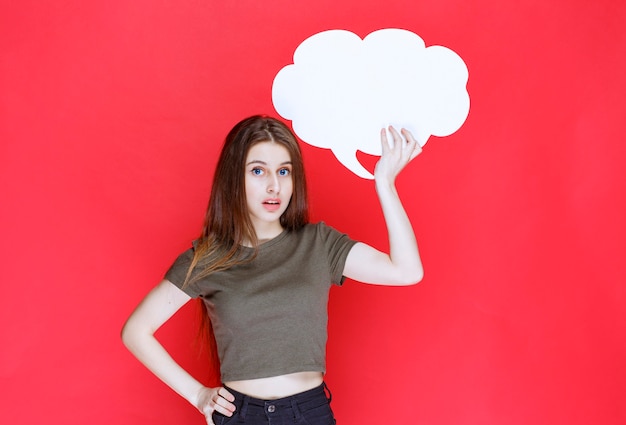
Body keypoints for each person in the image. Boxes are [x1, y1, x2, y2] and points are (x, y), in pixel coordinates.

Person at [121, 115, 423, 425]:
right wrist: (197, 395)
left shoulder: (318, 243)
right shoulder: (207, 258)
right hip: (239, 415)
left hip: (308, 413)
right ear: (233, 178)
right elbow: (135, 331)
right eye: (257, 171)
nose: (274, 186)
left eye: (283, 171)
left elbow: (406, 271)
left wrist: (385, 183)